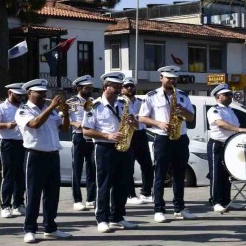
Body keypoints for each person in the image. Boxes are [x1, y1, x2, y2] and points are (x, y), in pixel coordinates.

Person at [15, 79, 73, 243]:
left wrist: (66, 113)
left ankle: (50, 227)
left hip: (53, 155)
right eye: (39, 93)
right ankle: (30, 229)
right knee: (33, 194)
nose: (43, 95)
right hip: (35, 155)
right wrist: (52, 107)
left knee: (52, 194)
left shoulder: (51, 111)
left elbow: (64, 128)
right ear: (29, 93)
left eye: (44, 93)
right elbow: (35, 124)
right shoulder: (23, 110)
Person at [138, 66, 198, 223]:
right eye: (168, 78)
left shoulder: (183, 95)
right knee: (160, 174)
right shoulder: (151, 96)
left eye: (174, 78)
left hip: (181, 137)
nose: (172, 81)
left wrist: (182, 110)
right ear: (161, 78)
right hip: (163, 138)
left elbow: (191, 118)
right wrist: (159, 123)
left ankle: (179, 208)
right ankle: (159, 209)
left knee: (179, 175)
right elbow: (142, 118)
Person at [83, 72, 140, 233]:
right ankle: (102, 219)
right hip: (104, 148)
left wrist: (133, 122)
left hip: (123, 147)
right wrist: (107, 135)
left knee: (122, 183)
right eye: (114, 87)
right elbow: (86, 131)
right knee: (104, 184)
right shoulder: (94, 105)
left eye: (119, 87)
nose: (118, 90)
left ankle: (118, 217)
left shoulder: (123, 103)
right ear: (105, 87)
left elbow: (137, 126)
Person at [206, 84, 246, 212]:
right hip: (217, 144)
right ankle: (215, 201)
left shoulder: (230, 110)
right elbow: (221, 124)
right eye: (226, 95)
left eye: (230, 94)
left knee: (227, 174)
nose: (230, 97)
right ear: (218, 97)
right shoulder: (214, 110)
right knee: (216, 174)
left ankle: (226, 201)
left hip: (230, 145)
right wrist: (239, 129)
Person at [0, 82, 28, 218]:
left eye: (22, 95)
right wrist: (6, 125)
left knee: (21, 175)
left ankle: (18, 204)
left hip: (23, 143)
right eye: (18, 95)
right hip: (8, 143)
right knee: (8, 175)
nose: (20, 97)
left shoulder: (24, 106)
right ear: (10, 93)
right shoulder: (0, 107)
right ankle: (5, 206)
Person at [120, 77, 154, 205]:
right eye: (126, 86)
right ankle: (130, 195)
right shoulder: (119, 102)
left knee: (147, 165)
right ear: (122, 89)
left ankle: (146, 193)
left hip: (141, 134)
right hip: (128, 134)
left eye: (131, 86)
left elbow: (147, 117)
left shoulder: (141, 101)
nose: (129, 88)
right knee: (128, 167)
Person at [68, 75, 96, 211]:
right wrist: (75, 123)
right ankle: (77, 200)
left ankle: (91, 198)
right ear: (79, 88)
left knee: (92, 168)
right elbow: (64, 119)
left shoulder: (93, 101)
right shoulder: (72, 101)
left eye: (90, 88)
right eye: (87, 88)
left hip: (91, 136)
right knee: (77, 169)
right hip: (79, 136)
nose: (90, 90)